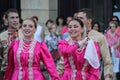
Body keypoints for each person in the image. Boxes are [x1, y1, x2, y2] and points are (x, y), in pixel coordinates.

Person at [57, 8, 113, 80]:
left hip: (92, 75)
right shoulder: (70, 38)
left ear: (89, 20)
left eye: (81, 18)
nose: (78, 20)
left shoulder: (99, 37)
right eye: (77, 18)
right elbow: (63, 62)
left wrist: (107, 77)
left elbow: (107, 61)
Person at [0, 9, 20, 79]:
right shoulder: (1, 36)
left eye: (17, 17)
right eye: (12, 18)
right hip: (6, 73)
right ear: (6, 20)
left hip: (22, 73)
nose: (15, 20)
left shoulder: (25, 35)